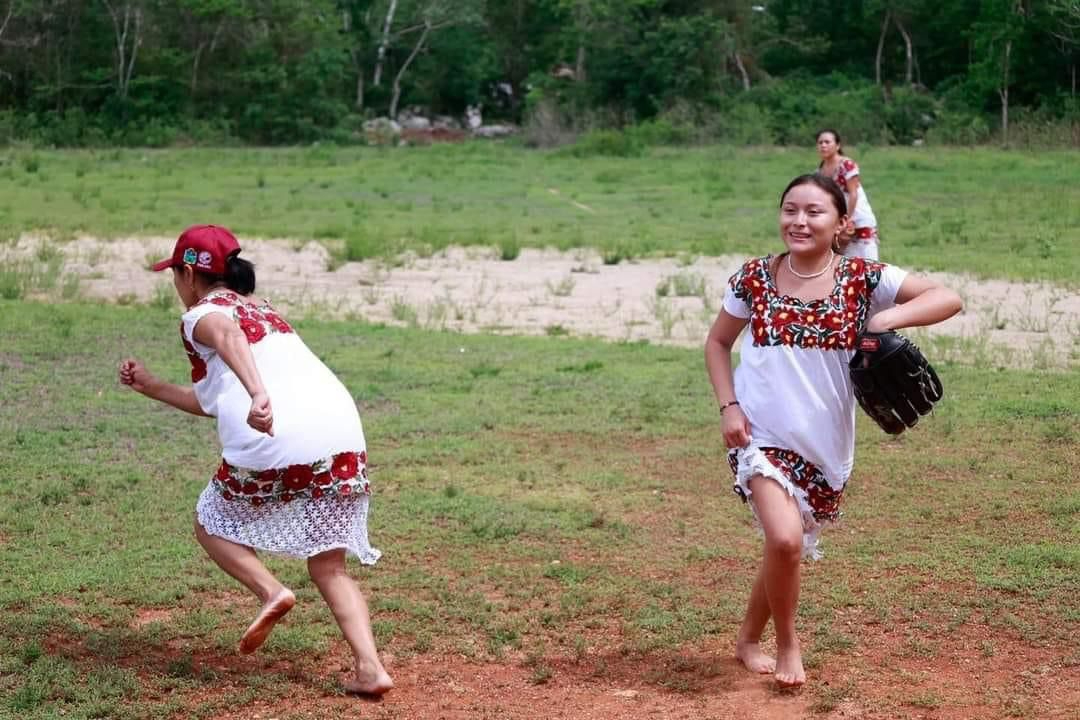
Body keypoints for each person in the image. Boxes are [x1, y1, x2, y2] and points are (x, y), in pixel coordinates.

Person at [704, 175, 961, 687]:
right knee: (784, 540)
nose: (799, 221)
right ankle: (788, 645)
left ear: (842, 224)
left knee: (786, 544)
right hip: (759, 434)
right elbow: (717, 343)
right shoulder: (753, 277)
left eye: (814, 212)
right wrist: (728, 406)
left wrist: (884, 322)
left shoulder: (864, 279)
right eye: (790, 210)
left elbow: (947, 297)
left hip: (825, 446)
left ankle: (747, 639)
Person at [119, 224, 393, 696]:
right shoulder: (264, 309)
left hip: (275, 433)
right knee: (328, 565)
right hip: (341, 434)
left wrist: (259, 395)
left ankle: (271, 592)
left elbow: (226, 335)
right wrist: (151, 386)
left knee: (211, 522)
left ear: (188, 273)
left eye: (174, 275)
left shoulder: (202, 315)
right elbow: (211, 400)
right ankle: (370, 668)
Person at [815, 129, 881, 260]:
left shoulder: (846, 165)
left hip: (857, 215)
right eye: (820, 142)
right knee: (845, 261)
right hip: (839, 219)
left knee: (868, 260)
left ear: (837, 145)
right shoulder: (819, 172)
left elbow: (853, 194)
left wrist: (847, 219)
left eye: (827, 142)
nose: (823, 145)